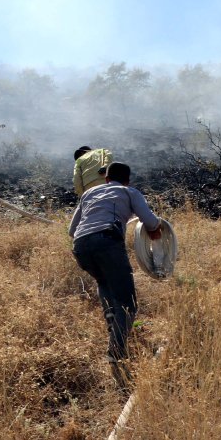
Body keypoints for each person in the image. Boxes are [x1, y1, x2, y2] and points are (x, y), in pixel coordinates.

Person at [68, 162, 162, 389]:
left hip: (80, 246)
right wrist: (158, 232)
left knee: (103, 280)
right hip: (107, 241)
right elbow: (150, 223)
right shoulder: (129, 192)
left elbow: (72, 230)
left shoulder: (90, 192)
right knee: (128, 304)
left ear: (107, 178)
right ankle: (116, 351)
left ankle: (111, 318)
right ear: (127, 179)